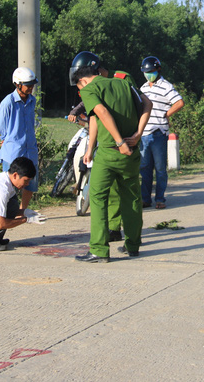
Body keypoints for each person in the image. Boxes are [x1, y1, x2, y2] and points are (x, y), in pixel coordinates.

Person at [69, 51, 152, 262]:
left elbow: (102, 113)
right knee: (132, 198)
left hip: (110, 152)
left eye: (78, 86)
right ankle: (133, 245)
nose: (80, 90)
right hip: (131, 153)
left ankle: (98, 249)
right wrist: (137, 134)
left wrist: (119, 142)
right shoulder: (122, 83)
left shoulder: (90, 89)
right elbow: (147, 104)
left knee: (97, 197)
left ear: (82, 79)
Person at [138, 56, 185, 209]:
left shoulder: (166, 86)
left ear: (158, 69)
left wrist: (166, 114)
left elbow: (179, 102)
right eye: (146, 72)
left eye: (151, 71)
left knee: (159, 168)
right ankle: (145, 199)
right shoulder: (143, 88)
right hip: (144, 133)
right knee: (144, 168)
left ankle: (160, 199)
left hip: (159, 132)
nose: (148, 74)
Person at [0, 67, 39, 209]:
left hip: (30, 149)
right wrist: (5, 138)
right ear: (18, 84)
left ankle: (22, 210)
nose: (31, 87)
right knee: (8, 185)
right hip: (13, 151)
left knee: (30, 183)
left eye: (32, 84)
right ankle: (6, 211)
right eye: (28, 84)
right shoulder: (8, 102)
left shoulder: (32, 100)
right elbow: (0, 122)